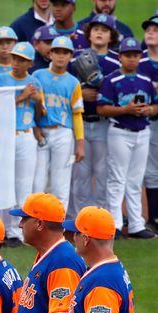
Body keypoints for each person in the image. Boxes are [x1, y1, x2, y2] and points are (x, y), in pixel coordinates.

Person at [64, 206, 137, 313]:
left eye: (76, 233)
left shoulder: (103, 281)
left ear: (86, 239)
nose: (73, 237)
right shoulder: (107, 269)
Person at [98, 37, 158, 239]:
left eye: (135, 55)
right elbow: (101, 108)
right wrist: (126, 109)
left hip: (142, 132)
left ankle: (136, 224)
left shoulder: (145, 80)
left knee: (135, 180)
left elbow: (156, 105)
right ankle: (113, 225)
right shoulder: (111, 80)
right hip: (120, 131)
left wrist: (149, 109)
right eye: (127, 55)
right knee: (117, 179)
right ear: (121, 57)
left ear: (139, 57)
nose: (132, 59)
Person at [0, 42, 46, 243]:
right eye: (15, 58)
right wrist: (22, 97)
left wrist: (38, 101)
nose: (16, 62)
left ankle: (17, 231)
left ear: (30, 62)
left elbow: (40, 116)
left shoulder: (35, 83)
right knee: (1, 183)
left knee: (24, 184)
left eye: (21, 60)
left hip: (26, 135)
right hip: (4, 135)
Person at [68, 14, 120, 219]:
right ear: (88, 34)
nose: (99, 32)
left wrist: (102, 91)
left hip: (104, 124)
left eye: (105, 30)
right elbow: (68, 86)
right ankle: (79, 217)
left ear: (111, 36)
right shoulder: (75, 58)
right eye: (96, 28)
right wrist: (81, 90)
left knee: (102, 173)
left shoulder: (116, 62)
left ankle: (99, 216)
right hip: (79, 123)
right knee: (80, 174)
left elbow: (119, 93)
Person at [33, 36, 85, 208]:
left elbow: (77, 114)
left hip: (64, 133)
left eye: (65, 53)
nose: (61, 56)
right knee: (37, 181)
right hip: (41, 132)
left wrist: (80, 143)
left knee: (60, 183)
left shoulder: (73, 82)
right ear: (50, 54)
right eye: (57, 52)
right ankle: (33, 223)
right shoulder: (38, 76)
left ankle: (57, 228)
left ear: (71, 56)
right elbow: (31, 106)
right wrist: (35, 127)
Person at [143, 14, 158, 233]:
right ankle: (154, 217)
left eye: (156, 30)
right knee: (152, 170)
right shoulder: (140, 61)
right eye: (148, 30)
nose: (151, 32)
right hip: (149, 123)